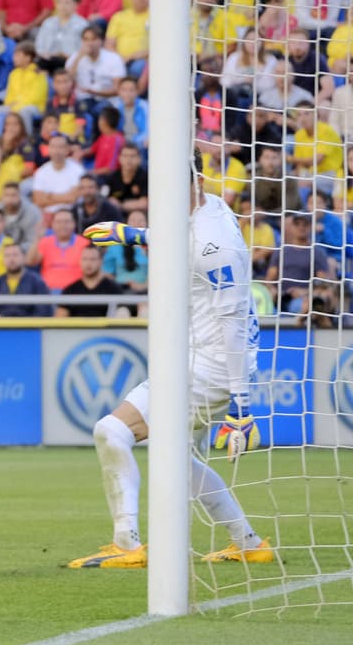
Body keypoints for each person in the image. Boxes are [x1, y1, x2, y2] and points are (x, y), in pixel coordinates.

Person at [71, 155, 274, 568]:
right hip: (202, 359)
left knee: (111, 431)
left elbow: (234, 319)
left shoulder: (214, 242)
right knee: (178, 461)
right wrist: (134, 234)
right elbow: (181, 235)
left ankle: (127, 545)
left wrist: (241, 408)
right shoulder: (209, 205)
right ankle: (249, 543)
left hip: (212, 366)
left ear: (193, 179)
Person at [0, 242, 51, 317]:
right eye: (7, 256)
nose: (11, 259)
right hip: (2, 327)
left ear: (24, 258)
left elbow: (44, 310)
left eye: (15, 255)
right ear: (3, 260)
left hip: (29, 327)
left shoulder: (36, 281)